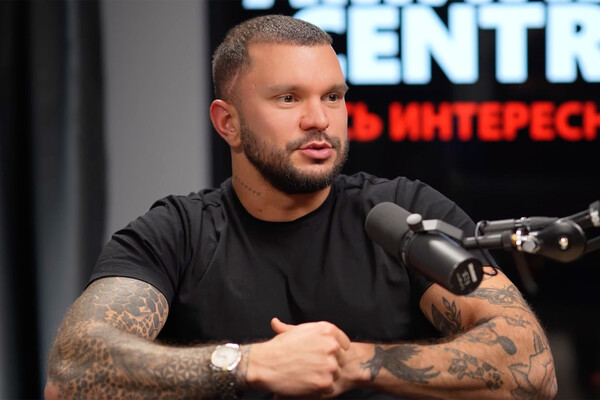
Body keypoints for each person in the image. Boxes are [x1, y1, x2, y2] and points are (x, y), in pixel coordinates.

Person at [45, 14, 557, 399]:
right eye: (288, 98)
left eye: (333, 97)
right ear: (228, 123)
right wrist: (249, 365)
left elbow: (533, 368)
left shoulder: (403, 212)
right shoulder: (175, 233)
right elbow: (70, 373)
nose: (319, 119)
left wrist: (352, 363)